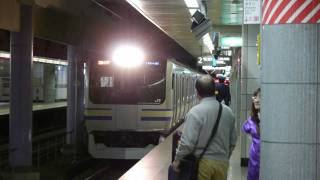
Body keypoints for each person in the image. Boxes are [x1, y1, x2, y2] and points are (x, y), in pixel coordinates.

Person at [171, 75, 237, 180]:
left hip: (203, 163)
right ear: (214, 90)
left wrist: (177, 159)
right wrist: (225, 156)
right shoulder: (228, 112)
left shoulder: (195, 112)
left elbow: (187, 143)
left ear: (197, 92)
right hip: (222, 164)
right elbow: (233, 141)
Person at [242, 88, 261, 180]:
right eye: (255, 97)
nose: (256, 100)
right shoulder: (251, 120)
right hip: (255, 158)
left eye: (260, 97)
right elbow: (247, 132)